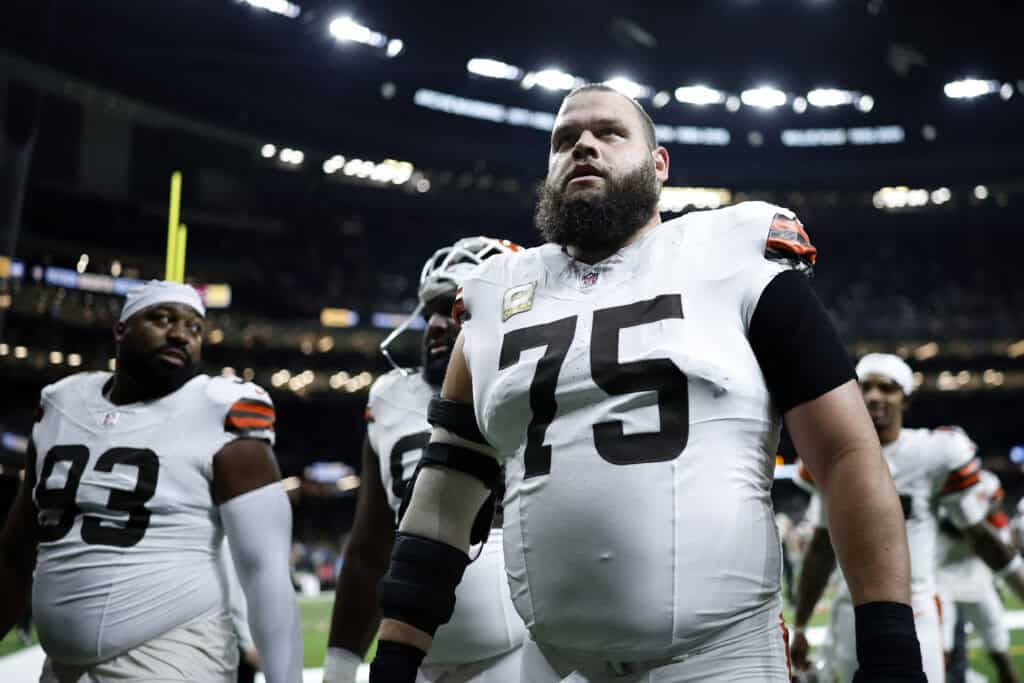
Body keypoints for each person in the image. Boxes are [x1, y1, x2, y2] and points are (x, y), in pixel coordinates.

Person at [368, 83, 924, 683]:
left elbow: (845, 454)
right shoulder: (496, 294)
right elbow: (443, 500)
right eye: (563, 140)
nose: (582, 144)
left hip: (720, 657)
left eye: (608, 132)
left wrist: (889, 643)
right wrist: (395, 658)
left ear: (658, 165)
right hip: (554, 662)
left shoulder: (736, 255)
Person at [0, 280, 302, 683]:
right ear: (120, 330)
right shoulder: (61, 403)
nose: (180, 334)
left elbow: (266, 574)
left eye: (195, 328)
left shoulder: (221, 413)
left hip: (173, 656)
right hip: (61, 668)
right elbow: (17, 550)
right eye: (161, 319)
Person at [323, 237, 526, 683]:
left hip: (527, 656)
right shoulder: (388, 398)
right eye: (431, 311)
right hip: (411, 660)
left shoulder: (533, 383)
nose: (437, 324)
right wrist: (338, 668)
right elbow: (368, 549)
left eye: (456, 310)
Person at [790, 353, 1024, 682]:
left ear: (905, 399)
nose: (874, 396)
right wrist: (800, 624)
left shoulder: (934, 452)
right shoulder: (829, 455)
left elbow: (981, 537)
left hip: (916, 608)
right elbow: (820, 548)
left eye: (887, 388)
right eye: (865, 387)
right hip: (849, 610)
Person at [936, 470, 1018, 683]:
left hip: (978, 581)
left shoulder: (996, 520)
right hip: (942, 579)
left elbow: (1000, 552)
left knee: (997, 639)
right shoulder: (947, 498)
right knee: (940, 647)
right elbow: (955, 525)